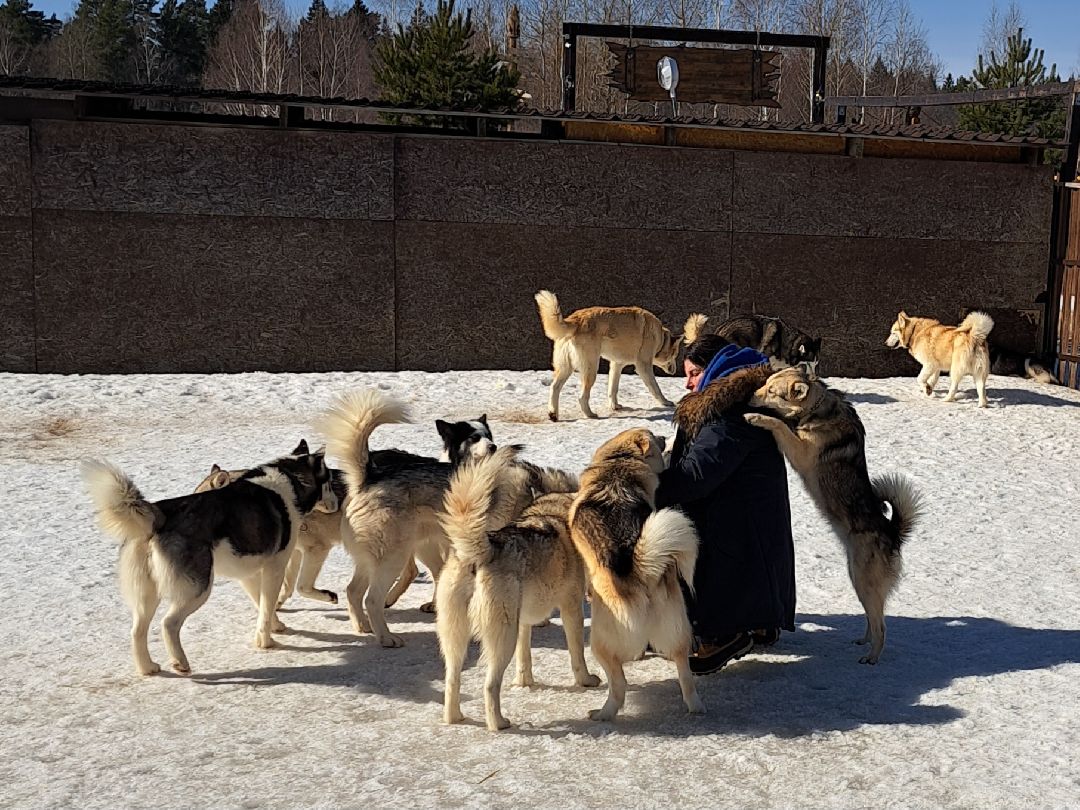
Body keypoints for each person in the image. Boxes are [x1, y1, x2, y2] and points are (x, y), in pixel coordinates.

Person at [655, 334, 796, 675]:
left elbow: (695, 475)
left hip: (735, 529)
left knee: (692, 534)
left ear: (716, 370)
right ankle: (760, 619)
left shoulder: (729, 415)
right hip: (753, 524)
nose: (688, 385)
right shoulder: (744, 403)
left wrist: (646, 489)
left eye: (693, 374)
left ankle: (723, 634)